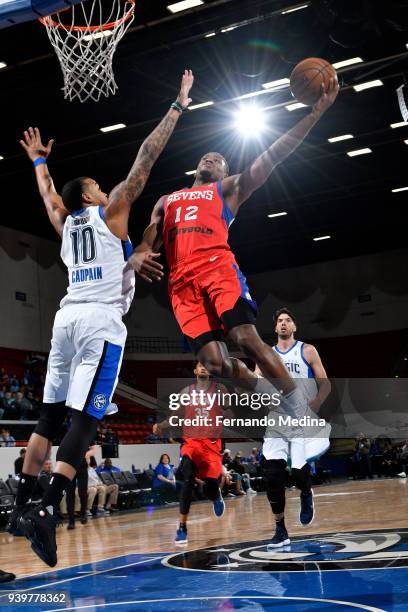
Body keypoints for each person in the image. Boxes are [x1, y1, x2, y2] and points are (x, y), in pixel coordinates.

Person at [8, 70, 195, 567]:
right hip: (98, 323)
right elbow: (145, 160)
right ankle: (47, 508)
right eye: (94, 185)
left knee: (47, 418)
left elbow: (48, 195)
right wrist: (176, 108)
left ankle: (23, 505)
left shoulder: (65, 221)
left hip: (65, 319)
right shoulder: (111, 211)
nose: (100, 186)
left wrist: (40, 161)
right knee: (87, 420)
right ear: (92, 197)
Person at [129, 80, 338, 438]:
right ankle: (265, 392)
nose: (211, 158)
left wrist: (314, 113)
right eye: (206, 156)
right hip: (181, 284)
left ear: (226, 173)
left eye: (219, 160)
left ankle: (300, 410)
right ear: (197, 165)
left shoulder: (227, 189)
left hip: (216, 268)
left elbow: (272, 156)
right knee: (213, 362)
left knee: (244, 336)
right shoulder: (168, 200)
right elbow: (151, 234)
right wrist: (138, 252)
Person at [255, 308, 331, 548]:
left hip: (301, 419)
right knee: (272, 476)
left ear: (294, 326)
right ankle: (280, 530)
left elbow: (325, 383)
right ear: (276, 328)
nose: (284, 324)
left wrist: (317, 402)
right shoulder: (266, 354)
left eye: (288, 320)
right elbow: (256, 382)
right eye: (280, 321)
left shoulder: (307, 350)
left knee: (299, 472)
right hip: (277, 420)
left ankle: (306, 493)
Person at [154, 362, 229, 545]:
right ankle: (182, 527)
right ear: (195, 371)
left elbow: (230, 410)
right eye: (199, 365)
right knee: (187, 478)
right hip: (191, 443)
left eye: (207, 365)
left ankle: (216, 494)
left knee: (210, 486)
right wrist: (161, 426)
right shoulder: (186, 392)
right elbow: (176, 415)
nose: (203, 367)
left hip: (211, 445)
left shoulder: (220, 390)